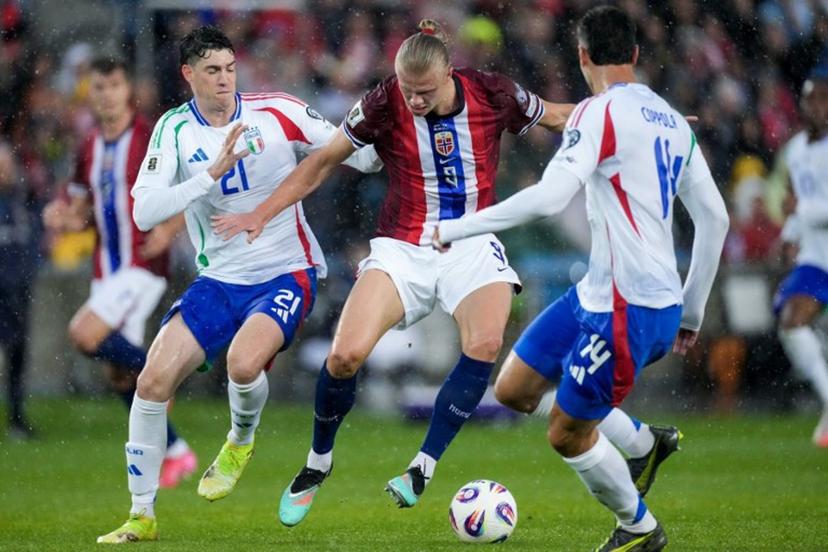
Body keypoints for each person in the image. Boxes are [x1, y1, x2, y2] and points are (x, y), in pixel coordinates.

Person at [212, 19, 669, 528]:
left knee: (485, 343)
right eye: (408, 90)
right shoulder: (384, 101)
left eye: (425, 91)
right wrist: (262, 213)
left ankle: (423, 467)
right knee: (343, 356)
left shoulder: (492, 93)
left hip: (471, 243)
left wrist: (636, 122)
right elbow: (323, 162)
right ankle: (318, 463)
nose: (415, 100)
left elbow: (560, 115)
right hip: (402, 247)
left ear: (450, 72)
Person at [433, 7, 728, 551]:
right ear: (634, 54)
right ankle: (643, 444)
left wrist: (458, 227)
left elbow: (550, 199)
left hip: (629, 306)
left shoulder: (596, 113)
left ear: (583, 55)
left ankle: (639, 529)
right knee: (514, 389)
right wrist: (691, 310)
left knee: (567, 432)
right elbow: (715, 218)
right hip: (609, 293)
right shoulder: (670, 119)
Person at [96, 26, 381, 544]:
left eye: (229, 68)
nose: (225, 79)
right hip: (219, 279)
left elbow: (357, 154)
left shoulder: (278, 110)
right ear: (189, 74)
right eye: (212, 71)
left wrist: (378, 130)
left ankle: (239, 441)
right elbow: (144, 212)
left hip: (286, 270)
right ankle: (141, 515)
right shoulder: (174, 130)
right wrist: (211, 174)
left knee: (243, 364)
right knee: (151, 381)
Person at [42, 57, 196, 482]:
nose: (107, 95)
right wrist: (63, 218)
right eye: (99, 87)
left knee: (83, 334)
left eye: (114, 86)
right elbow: (83, 212)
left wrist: (169, 230)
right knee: (118, 374)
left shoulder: (149, 137)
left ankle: (161, 374)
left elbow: (192, 187)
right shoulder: (89, 145)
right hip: (106, 269)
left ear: (128, 90)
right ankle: (176, 452)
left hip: (143, 262)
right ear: (90, 94)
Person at [774, 67, 828, 448]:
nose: (817, 107)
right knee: (791, 321)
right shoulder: (795, 150)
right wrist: (789, 235)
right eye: (812, 100)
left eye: (824, 99)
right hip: (816, 259)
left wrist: (801, 210)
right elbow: (795, 202)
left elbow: (802, 204)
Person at [0, 141, 40, 439]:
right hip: (5, 287)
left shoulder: (22, 200)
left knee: (17, 355)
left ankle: (16, 417)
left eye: (6, 166)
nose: (5, 172)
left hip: (18, 290)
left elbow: (33, 241)